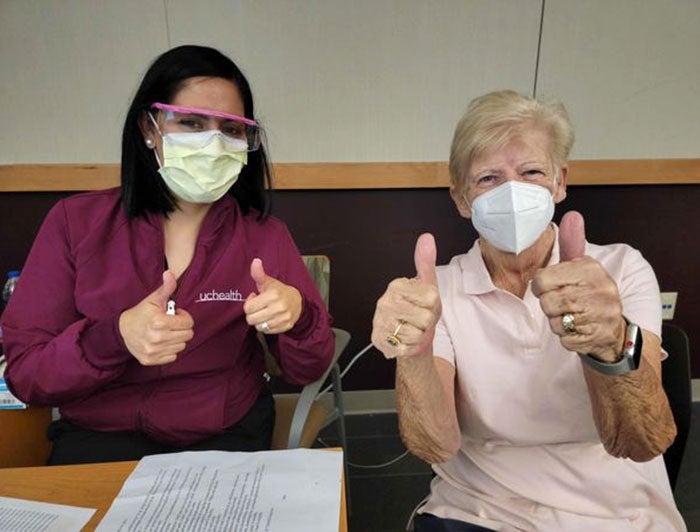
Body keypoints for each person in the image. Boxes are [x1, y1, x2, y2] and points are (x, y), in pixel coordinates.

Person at [1, 45, 334, 465]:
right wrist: (115, 336)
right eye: (192, 123)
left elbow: (308, 368)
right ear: (149, 127)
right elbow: (27, 376)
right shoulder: (75, 223)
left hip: (225, 431)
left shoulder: (263, 235)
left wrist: (299, 317)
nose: (213, 143)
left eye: (230, 130)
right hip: (100, 435)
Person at [372, 90, 685, 531]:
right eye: (488, 179)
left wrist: (612, 344)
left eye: (531, 171)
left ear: (559, 182)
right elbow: (436, 446)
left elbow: (642, 440)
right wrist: (414, 356)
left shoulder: (619, 269)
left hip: (614, 514)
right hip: (477, 509)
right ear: (462, 199)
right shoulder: (439, 289)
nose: (512, 192)